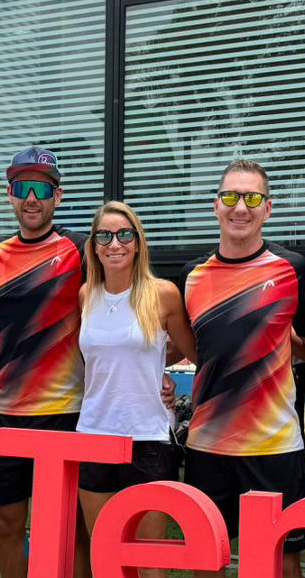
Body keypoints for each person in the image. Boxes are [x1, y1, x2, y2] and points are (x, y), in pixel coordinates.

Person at [180, 160, 305, 578]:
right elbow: (192, 348)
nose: (240, 207)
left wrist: (270, 342)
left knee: (280, 562)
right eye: (230, 197)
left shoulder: (292, 269)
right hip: (207, 444)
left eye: (252, 198)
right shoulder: (192, 275)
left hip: (272, 446)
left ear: (268, 208)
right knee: (207, 558)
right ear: (215, 205)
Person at [0, 147, 90, 578]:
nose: (32, 198)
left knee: (72, 527)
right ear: (10, 195)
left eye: (42, 188)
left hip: (67, 413)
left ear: (58, 196)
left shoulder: (82, 249)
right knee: (6, 523)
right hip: (6, 413)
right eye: (23, 188)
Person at [75, 201, 196, 578]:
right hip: (94, 434)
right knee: (106, 558)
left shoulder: (162, 294)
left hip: (147, 437)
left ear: (138, 243)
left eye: (125, 234)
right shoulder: (86, 296)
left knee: (148, 562)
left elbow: (193, 351)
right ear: (94, 246)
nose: (115, 243)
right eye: (105, 236)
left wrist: (162, 372)